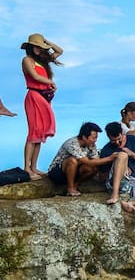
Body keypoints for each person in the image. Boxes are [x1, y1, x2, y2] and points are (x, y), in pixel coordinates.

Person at [21, 33, 63, 179]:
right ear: (31, 47)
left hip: (44, 97)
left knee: (40, 133)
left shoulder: (43, 60)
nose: (39, 49)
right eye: (36, 46)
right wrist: (50, 82)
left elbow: (60, 51)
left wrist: (46, 41)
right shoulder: (27, 60)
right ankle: (27, 168)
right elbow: (35, 76)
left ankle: (34, 166)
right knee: (33, 132)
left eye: (40, 47)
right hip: (34, 96)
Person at [48, 122, 118, 196]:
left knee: (94, 168)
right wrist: (110, 158)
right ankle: (70, 189)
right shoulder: (72, 143)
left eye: (96, 138)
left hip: (75, 172)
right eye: (94, 138)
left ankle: (75, 185)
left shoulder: (91, 145)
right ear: (84, 137)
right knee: (72, 160)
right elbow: (88, 162)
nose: (95, 140)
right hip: (58, 172)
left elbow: (96, 160)